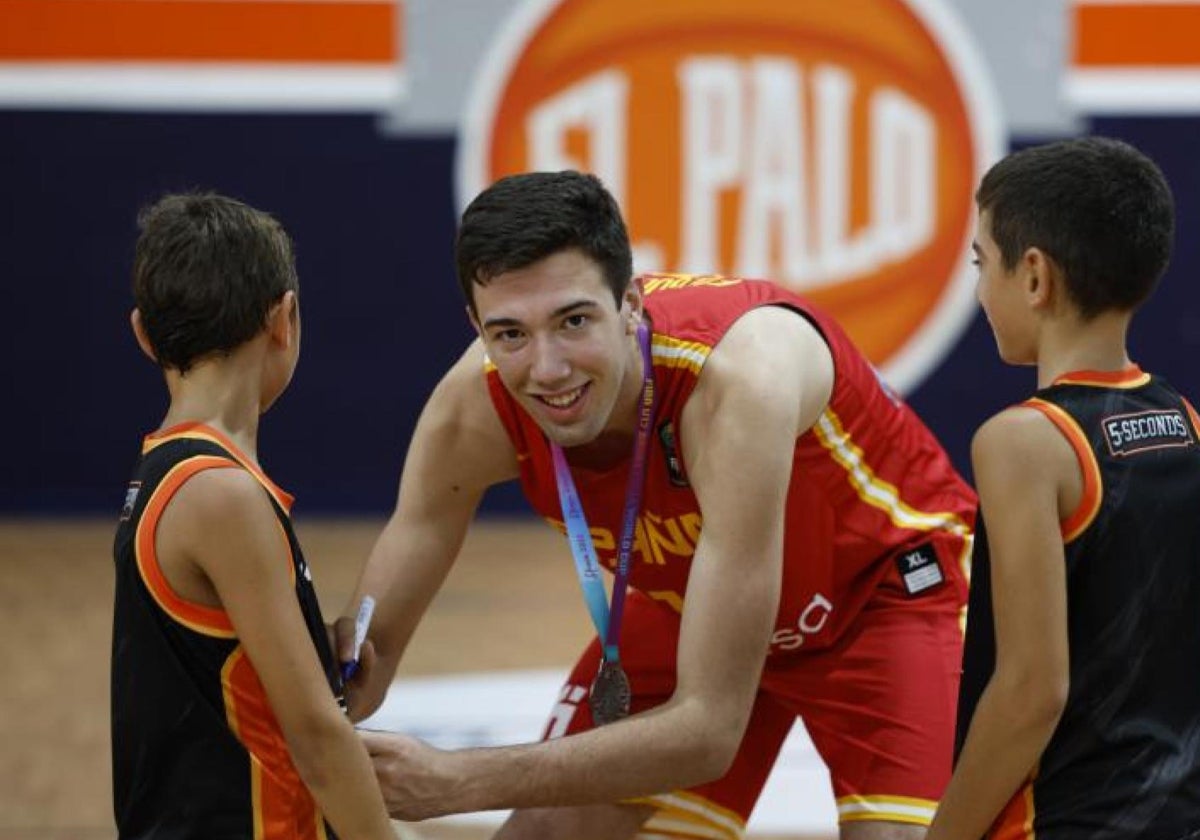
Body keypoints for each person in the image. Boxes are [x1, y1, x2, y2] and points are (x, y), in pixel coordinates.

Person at [342, 171, 976, 840]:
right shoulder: (476, 407)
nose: (548, 369)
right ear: (477, 327)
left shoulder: (737, 380)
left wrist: (459, 782)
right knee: (550, 830)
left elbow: (707, 730)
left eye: (574, 321)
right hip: (689, 603)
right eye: (510, 335)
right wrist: (326, 701)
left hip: (884, 595)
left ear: (631, 305)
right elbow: (386, 604)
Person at [927, 137, 1200, 840]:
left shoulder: (1023, 442)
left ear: (1036, 277)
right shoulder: (1188, 422)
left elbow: (1030, 694)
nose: (981, 289)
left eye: (984, 264)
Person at [111, 192, 395, 840]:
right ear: (284, 320)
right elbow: (318, 737)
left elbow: (202, 665)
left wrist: (312, 649)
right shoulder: (222, 493)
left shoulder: (165, 468)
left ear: (143, 333)